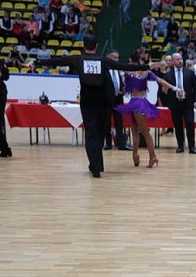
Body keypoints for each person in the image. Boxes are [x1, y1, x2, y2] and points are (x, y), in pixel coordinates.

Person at [34, 36, 149, 177]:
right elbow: (123, 66)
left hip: (87, 101)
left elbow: (57, 61)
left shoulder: (78, 59)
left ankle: (95, 166)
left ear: (84, 45)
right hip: (103, 102)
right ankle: (96, 165)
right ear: (97, 45)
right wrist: (145, 67)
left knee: (91, 133)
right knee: (100, 133)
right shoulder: (103, 60)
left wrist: (39, 62)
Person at [114, 54, 178, 168]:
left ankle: (148, 156)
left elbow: (123, 85)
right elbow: (160, 79)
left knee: (139, 132)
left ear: (131, 61)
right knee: (140, 131)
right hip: (140, 102)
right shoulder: (145, 71)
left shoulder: (129, 71)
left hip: (136, 103)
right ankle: (137, 155)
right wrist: (174, 88)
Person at [164, 52, 196, 154]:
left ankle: (192, 146)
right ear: (173, 62)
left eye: (181, 59)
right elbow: (164, 91)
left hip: (187, 103)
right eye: (178, 59)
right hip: (175, 103)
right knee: (178, 125)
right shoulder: (167, 75)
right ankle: (180, 146)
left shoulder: (190, 72)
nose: (180, 61)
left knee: (190, 123)